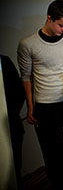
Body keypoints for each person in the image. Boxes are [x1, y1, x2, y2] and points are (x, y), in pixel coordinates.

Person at [17, 0, 63, 189]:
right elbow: (26, 77)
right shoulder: (27, 44)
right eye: (62, 25)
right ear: (49, 18)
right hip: (45, 106)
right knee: (53, 154)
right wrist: (31, 106)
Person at [1, 54, 25, 189]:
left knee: (14, 168)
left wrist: (10, 115)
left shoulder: (3, 62)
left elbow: (17, 92)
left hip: (10, 125)